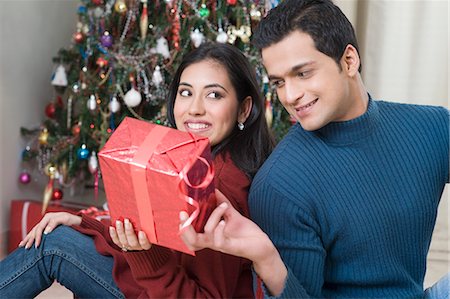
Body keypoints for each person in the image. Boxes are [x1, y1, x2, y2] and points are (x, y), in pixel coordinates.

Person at [179, 0, 450, 298]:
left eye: (303, 73)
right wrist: (267, 258)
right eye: (279, 82)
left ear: (348, 61)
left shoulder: (432, 126)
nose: (291, 95)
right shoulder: (280, 184)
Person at [0, 42, 274, 298]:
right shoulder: (195, 161)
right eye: (186, 92)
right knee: (60, 236)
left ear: (243, 109)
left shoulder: (218, 186)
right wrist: (85, 223)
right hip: (151, 281)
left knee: (52, 246)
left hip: (153, 289)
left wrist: (142, 255)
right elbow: (152, 237)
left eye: (214, 95)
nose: (194, 109)